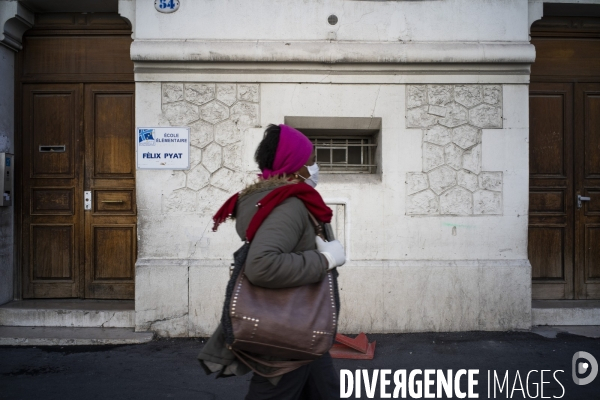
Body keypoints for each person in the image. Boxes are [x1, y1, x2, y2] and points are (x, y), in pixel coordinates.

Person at [198, 124, 347, 399]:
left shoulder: (282, 200)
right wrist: (325, 259)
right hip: (289, 330)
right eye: (311, 159)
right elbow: (262, 265)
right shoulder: (286, 205)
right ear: (296, 166)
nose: (316, 166)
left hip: (305, 325)